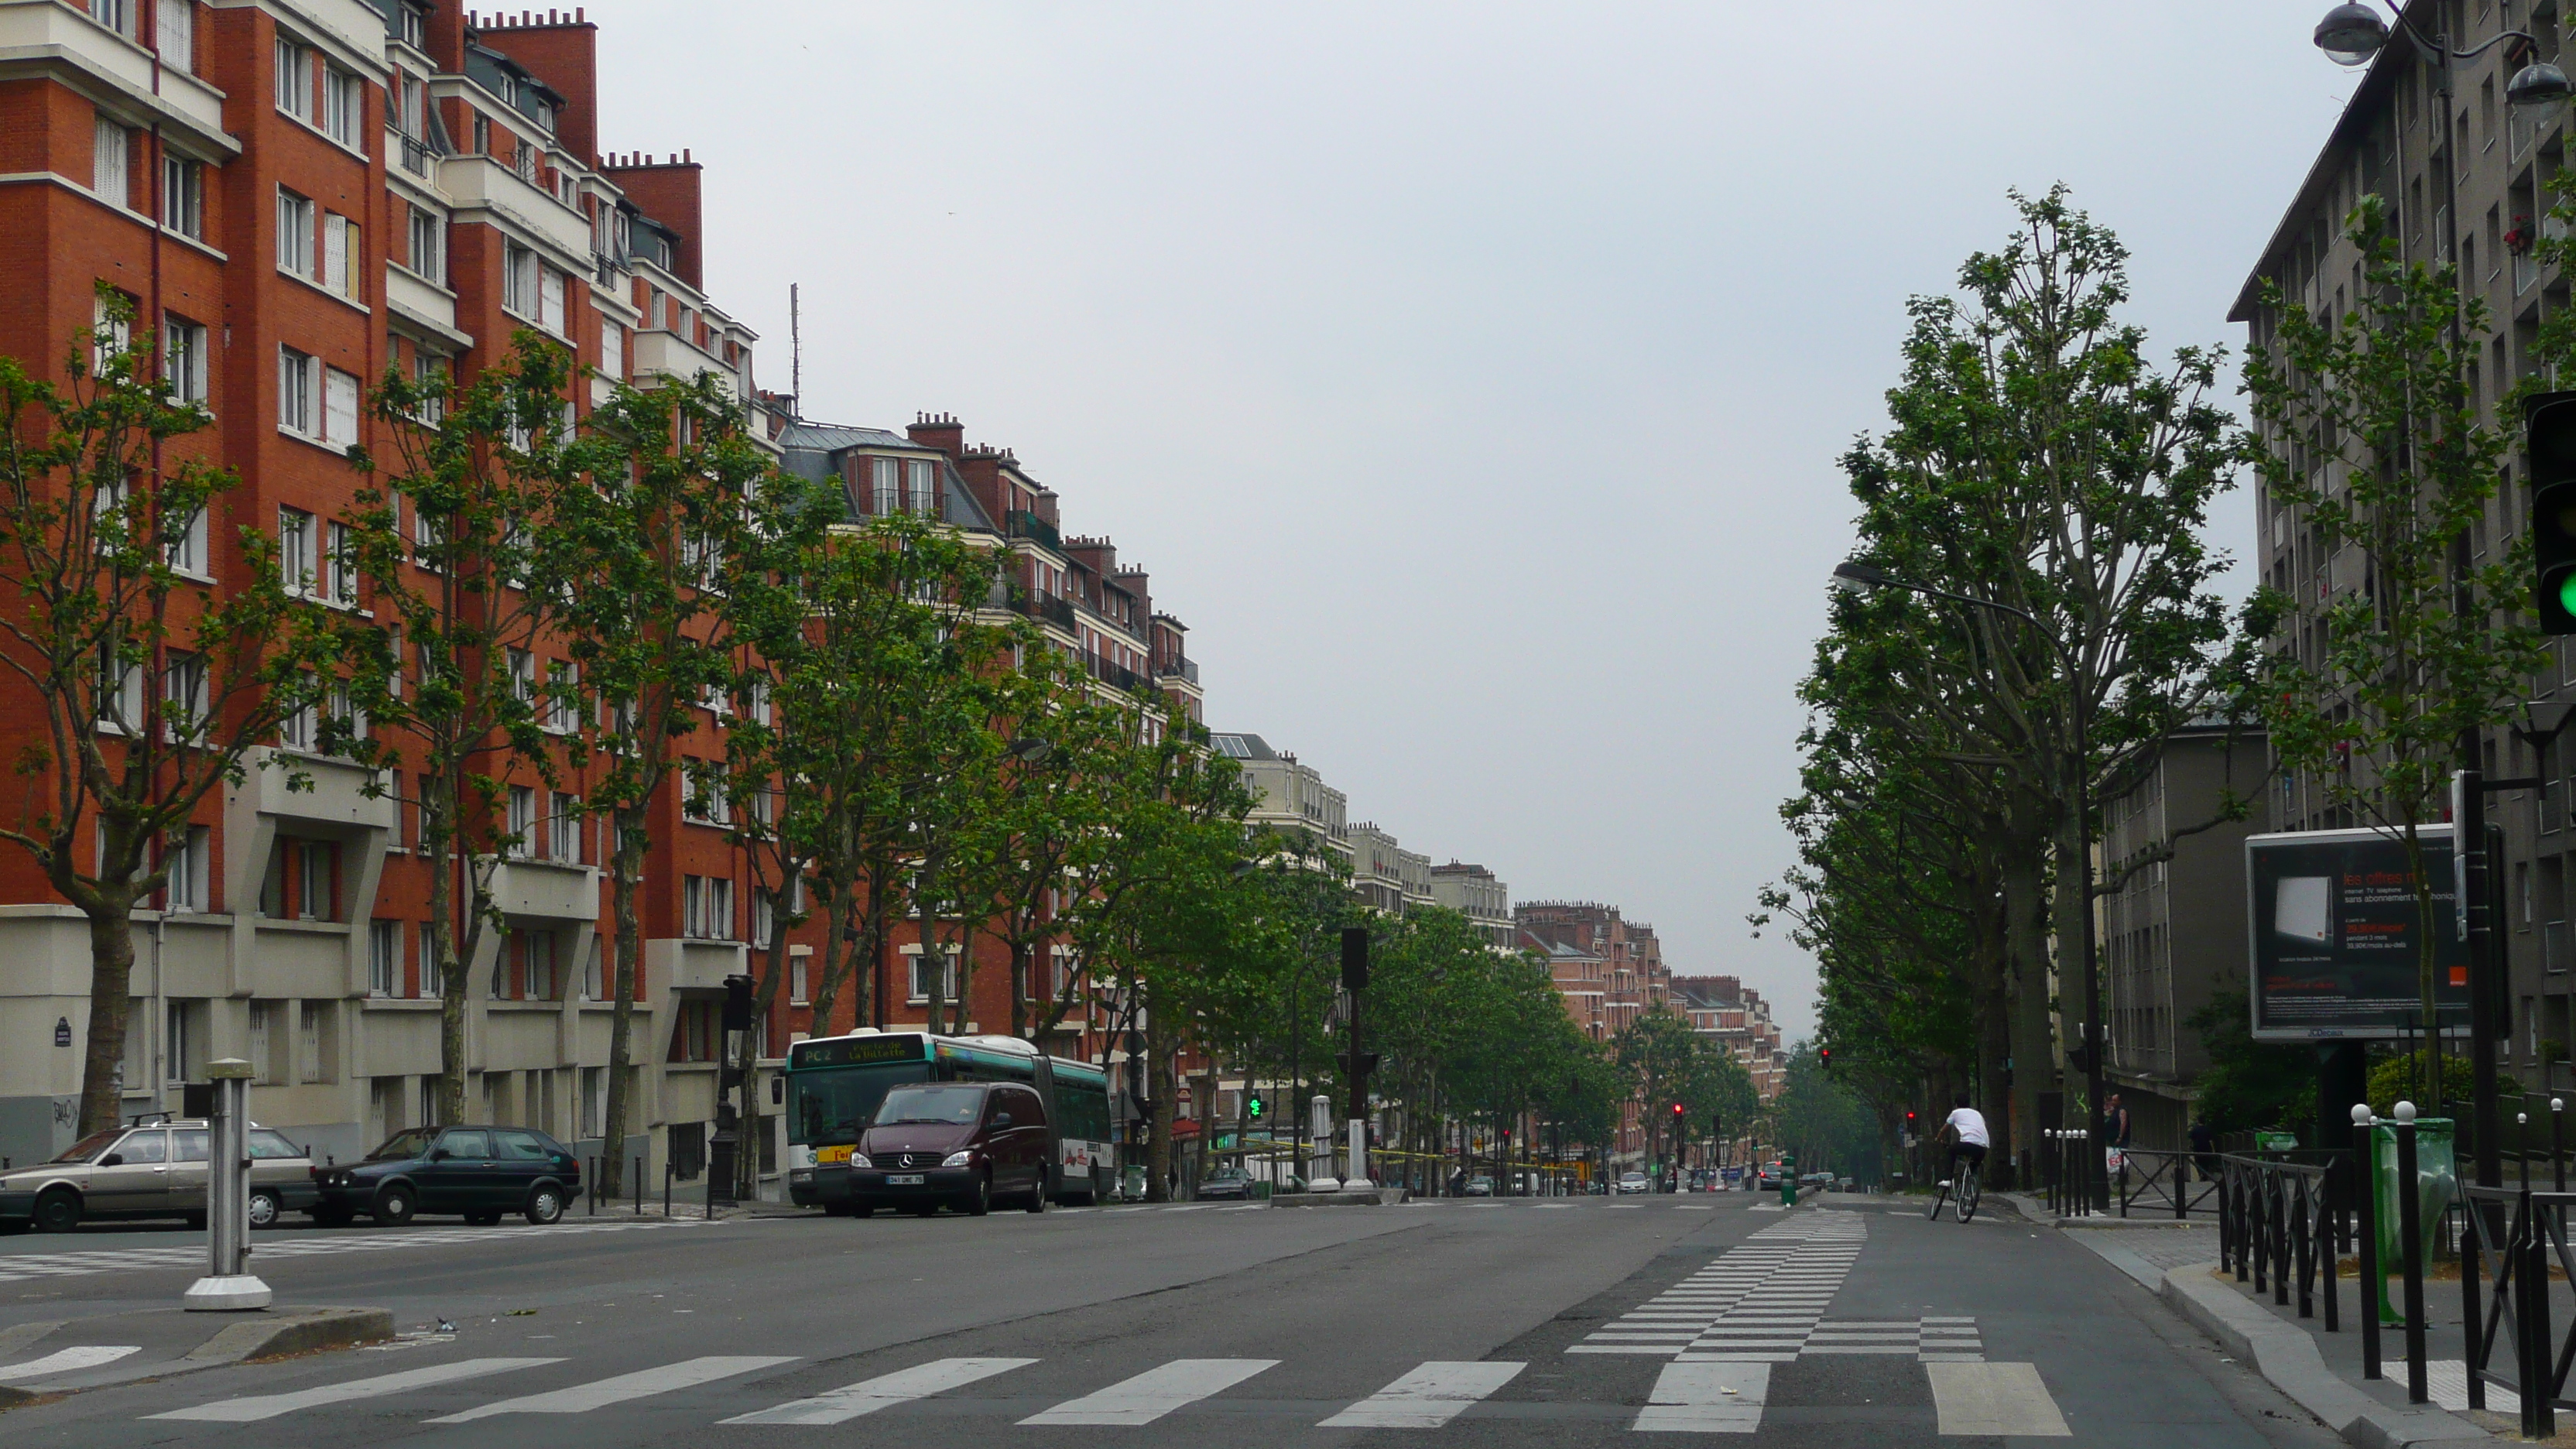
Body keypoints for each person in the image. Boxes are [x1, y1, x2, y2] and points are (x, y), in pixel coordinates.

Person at [1937, 1092, 1989, 1190]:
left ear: (1956, 1105)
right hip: (1983, 1146)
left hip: (1968, 1144)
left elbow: (1944, 1129)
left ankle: (1947, 1179)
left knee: (1951, 1151)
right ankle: (1968, 1188)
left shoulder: (1956, 1113)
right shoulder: (1977, 1114)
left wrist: (1939, 1139)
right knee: (1972, 1168)